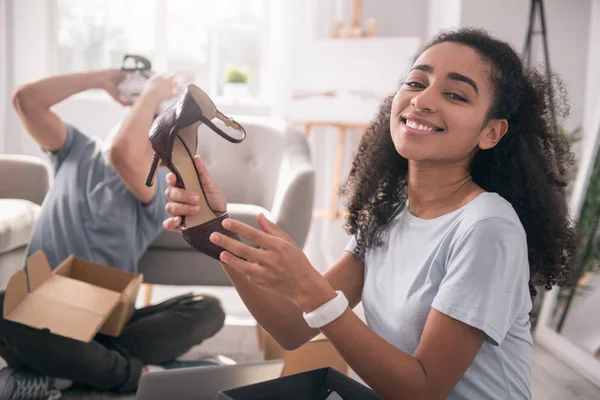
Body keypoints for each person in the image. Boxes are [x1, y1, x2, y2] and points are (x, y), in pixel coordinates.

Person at [162, 28, 577, 399]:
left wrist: (315, 291)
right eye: (416, 82)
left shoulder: (488, 226)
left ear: (491, 132)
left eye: (455, 94)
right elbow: (291, 328)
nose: (423, 99)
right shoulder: (389, 214)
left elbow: (422, 388)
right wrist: (214, 232)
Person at [0, 69, 225, 399]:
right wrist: (103, 79)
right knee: (6, 309)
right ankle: (135, 374)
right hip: (41, 320)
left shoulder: (153, 190)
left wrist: (151, 93)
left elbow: (122, 154)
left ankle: (65, 374)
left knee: (208, 309)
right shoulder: (74, 149)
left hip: (103, 327)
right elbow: (25, 100)